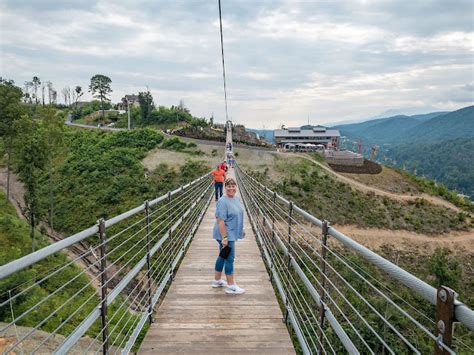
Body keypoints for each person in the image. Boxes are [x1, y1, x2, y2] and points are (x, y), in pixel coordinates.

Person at [212, 177, 245, 294]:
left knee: (223, 256)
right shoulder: (222, 201)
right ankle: (231, 286)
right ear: (225, 188)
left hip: (231, 232)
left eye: (233, 186)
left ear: (236, 187)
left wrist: (241, 230)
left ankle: (217, 281)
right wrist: (224, 238)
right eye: (228, 186)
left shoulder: (236, 199)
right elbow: (220, 221)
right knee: (230, 258)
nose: (231, 188)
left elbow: (238, 215)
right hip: (224, 233)